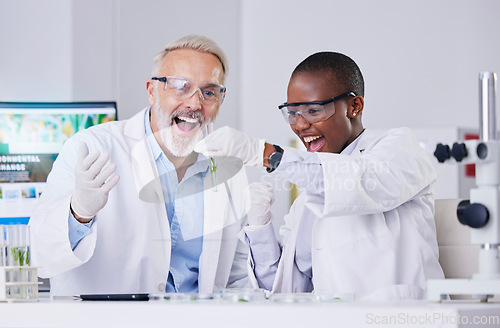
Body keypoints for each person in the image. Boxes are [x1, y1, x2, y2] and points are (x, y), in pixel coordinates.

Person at [195, 51, 445, 300]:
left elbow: (362, 183)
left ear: (354, 107)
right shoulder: (306, 203)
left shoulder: (399, 150)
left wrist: (264, 154)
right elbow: (285, 292)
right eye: (293, 112)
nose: (300, 125)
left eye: (313, 111)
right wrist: (260, 229)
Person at [29, 35, 251, 296]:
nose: (194, 103)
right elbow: (39, 256)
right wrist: (79, 213)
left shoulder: (226, 166)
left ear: (220, 100)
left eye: (209, 92)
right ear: (151, 91)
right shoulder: (90, 147)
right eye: (180, 86)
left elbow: (237, 274)